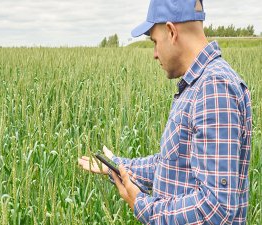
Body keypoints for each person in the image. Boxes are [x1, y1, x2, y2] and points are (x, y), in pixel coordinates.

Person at [78, 0, 252, 224]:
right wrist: (118, 166)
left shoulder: (213, 87)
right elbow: (170, 164)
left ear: (171, 31)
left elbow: (215, 208)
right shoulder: (199, 85)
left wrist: (141, 204)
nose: (154, 54)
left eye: (155, 42)